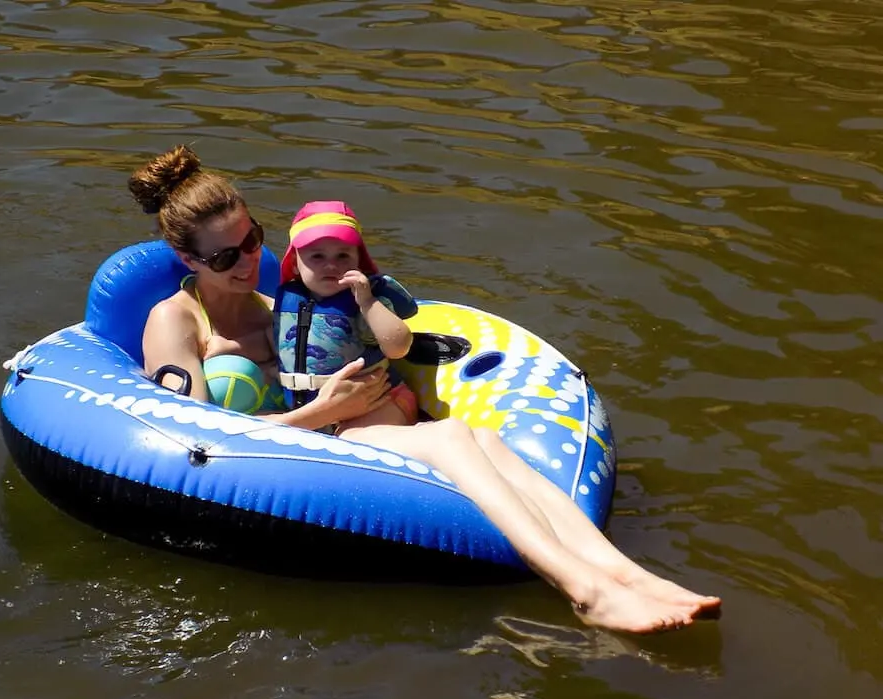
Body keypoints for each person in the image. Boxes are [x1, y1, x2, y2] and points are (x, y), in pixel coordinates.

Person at [129, 144, 722, 634]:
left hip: (351, 425)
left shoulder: (279, 304)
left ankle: (623, 572)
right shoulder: (175, 321)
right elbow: (191, 445)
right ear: (185, 256)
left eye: (254, 239)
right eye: (226, 254)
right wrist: (321, 413)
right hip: (288, 453)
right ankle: (584, 589)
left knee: (486, 435)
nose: (246, 260)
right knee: (452, 438)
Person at [275, 200, 419, 430]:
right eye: (317, 257)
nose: (331, 265)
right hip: (314, 410)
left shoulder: (365, 301)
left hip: (379, 402)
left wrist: (368, 302)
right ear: (294, 264)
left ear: (359, 262)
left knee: (351, 439)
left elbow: (399, 346)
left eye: (343, 256)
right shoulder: (287, 301)